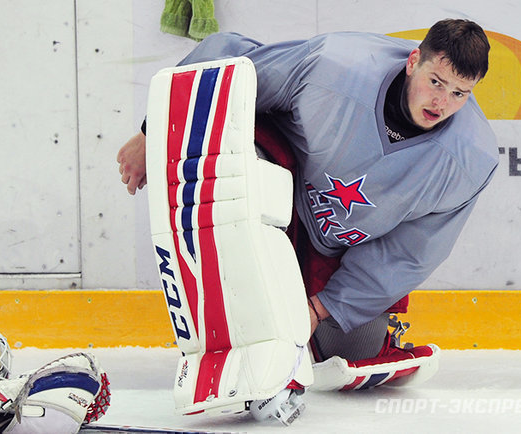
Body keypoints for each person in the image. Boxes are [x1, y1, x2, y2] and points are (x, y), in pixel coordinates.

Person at [118, 19, 497, 370]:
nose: (441, 103)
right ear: (414, 60)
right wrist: (153, 132)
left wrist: (319, 308)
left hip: (338, 249)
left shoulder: (470, 160)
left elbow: (408, 254)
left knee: (355, 349)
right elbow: (229, 64)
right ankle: (229, 325)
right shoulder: (337, 65)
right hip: (277, 180)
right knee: (234, 168)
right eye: (436, 82)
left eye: (459, 93)